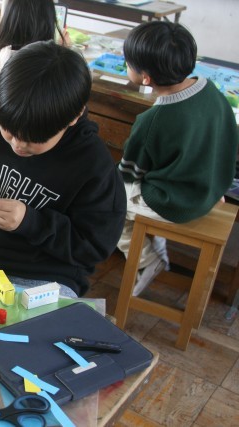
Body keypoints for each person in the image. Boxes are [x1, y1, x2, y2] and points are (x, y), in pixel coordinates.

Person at [0, 41, 126, 297]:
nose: (17, 145)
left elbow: (94, 247)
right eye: (9, 131)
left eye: (33, 140)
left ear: (74, 116)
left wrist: (30, 222)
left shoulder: (93, 165)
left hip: (45, 277)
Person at [116, 21, 238, 296]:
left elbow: (129, 174)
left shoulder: (153, 121)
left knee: (109, 204)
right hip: (211, 187)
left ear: (145, 78)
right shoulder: (211, 91)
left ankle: (148, 260)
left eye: (127, 63)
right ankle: (154, 237)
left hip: (176, 201)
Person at [0, 0, 64, 135]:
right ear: (49, 21)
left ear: (8, 18)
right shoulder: (47, 69)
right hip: (14, 141)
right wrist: (63, 53)